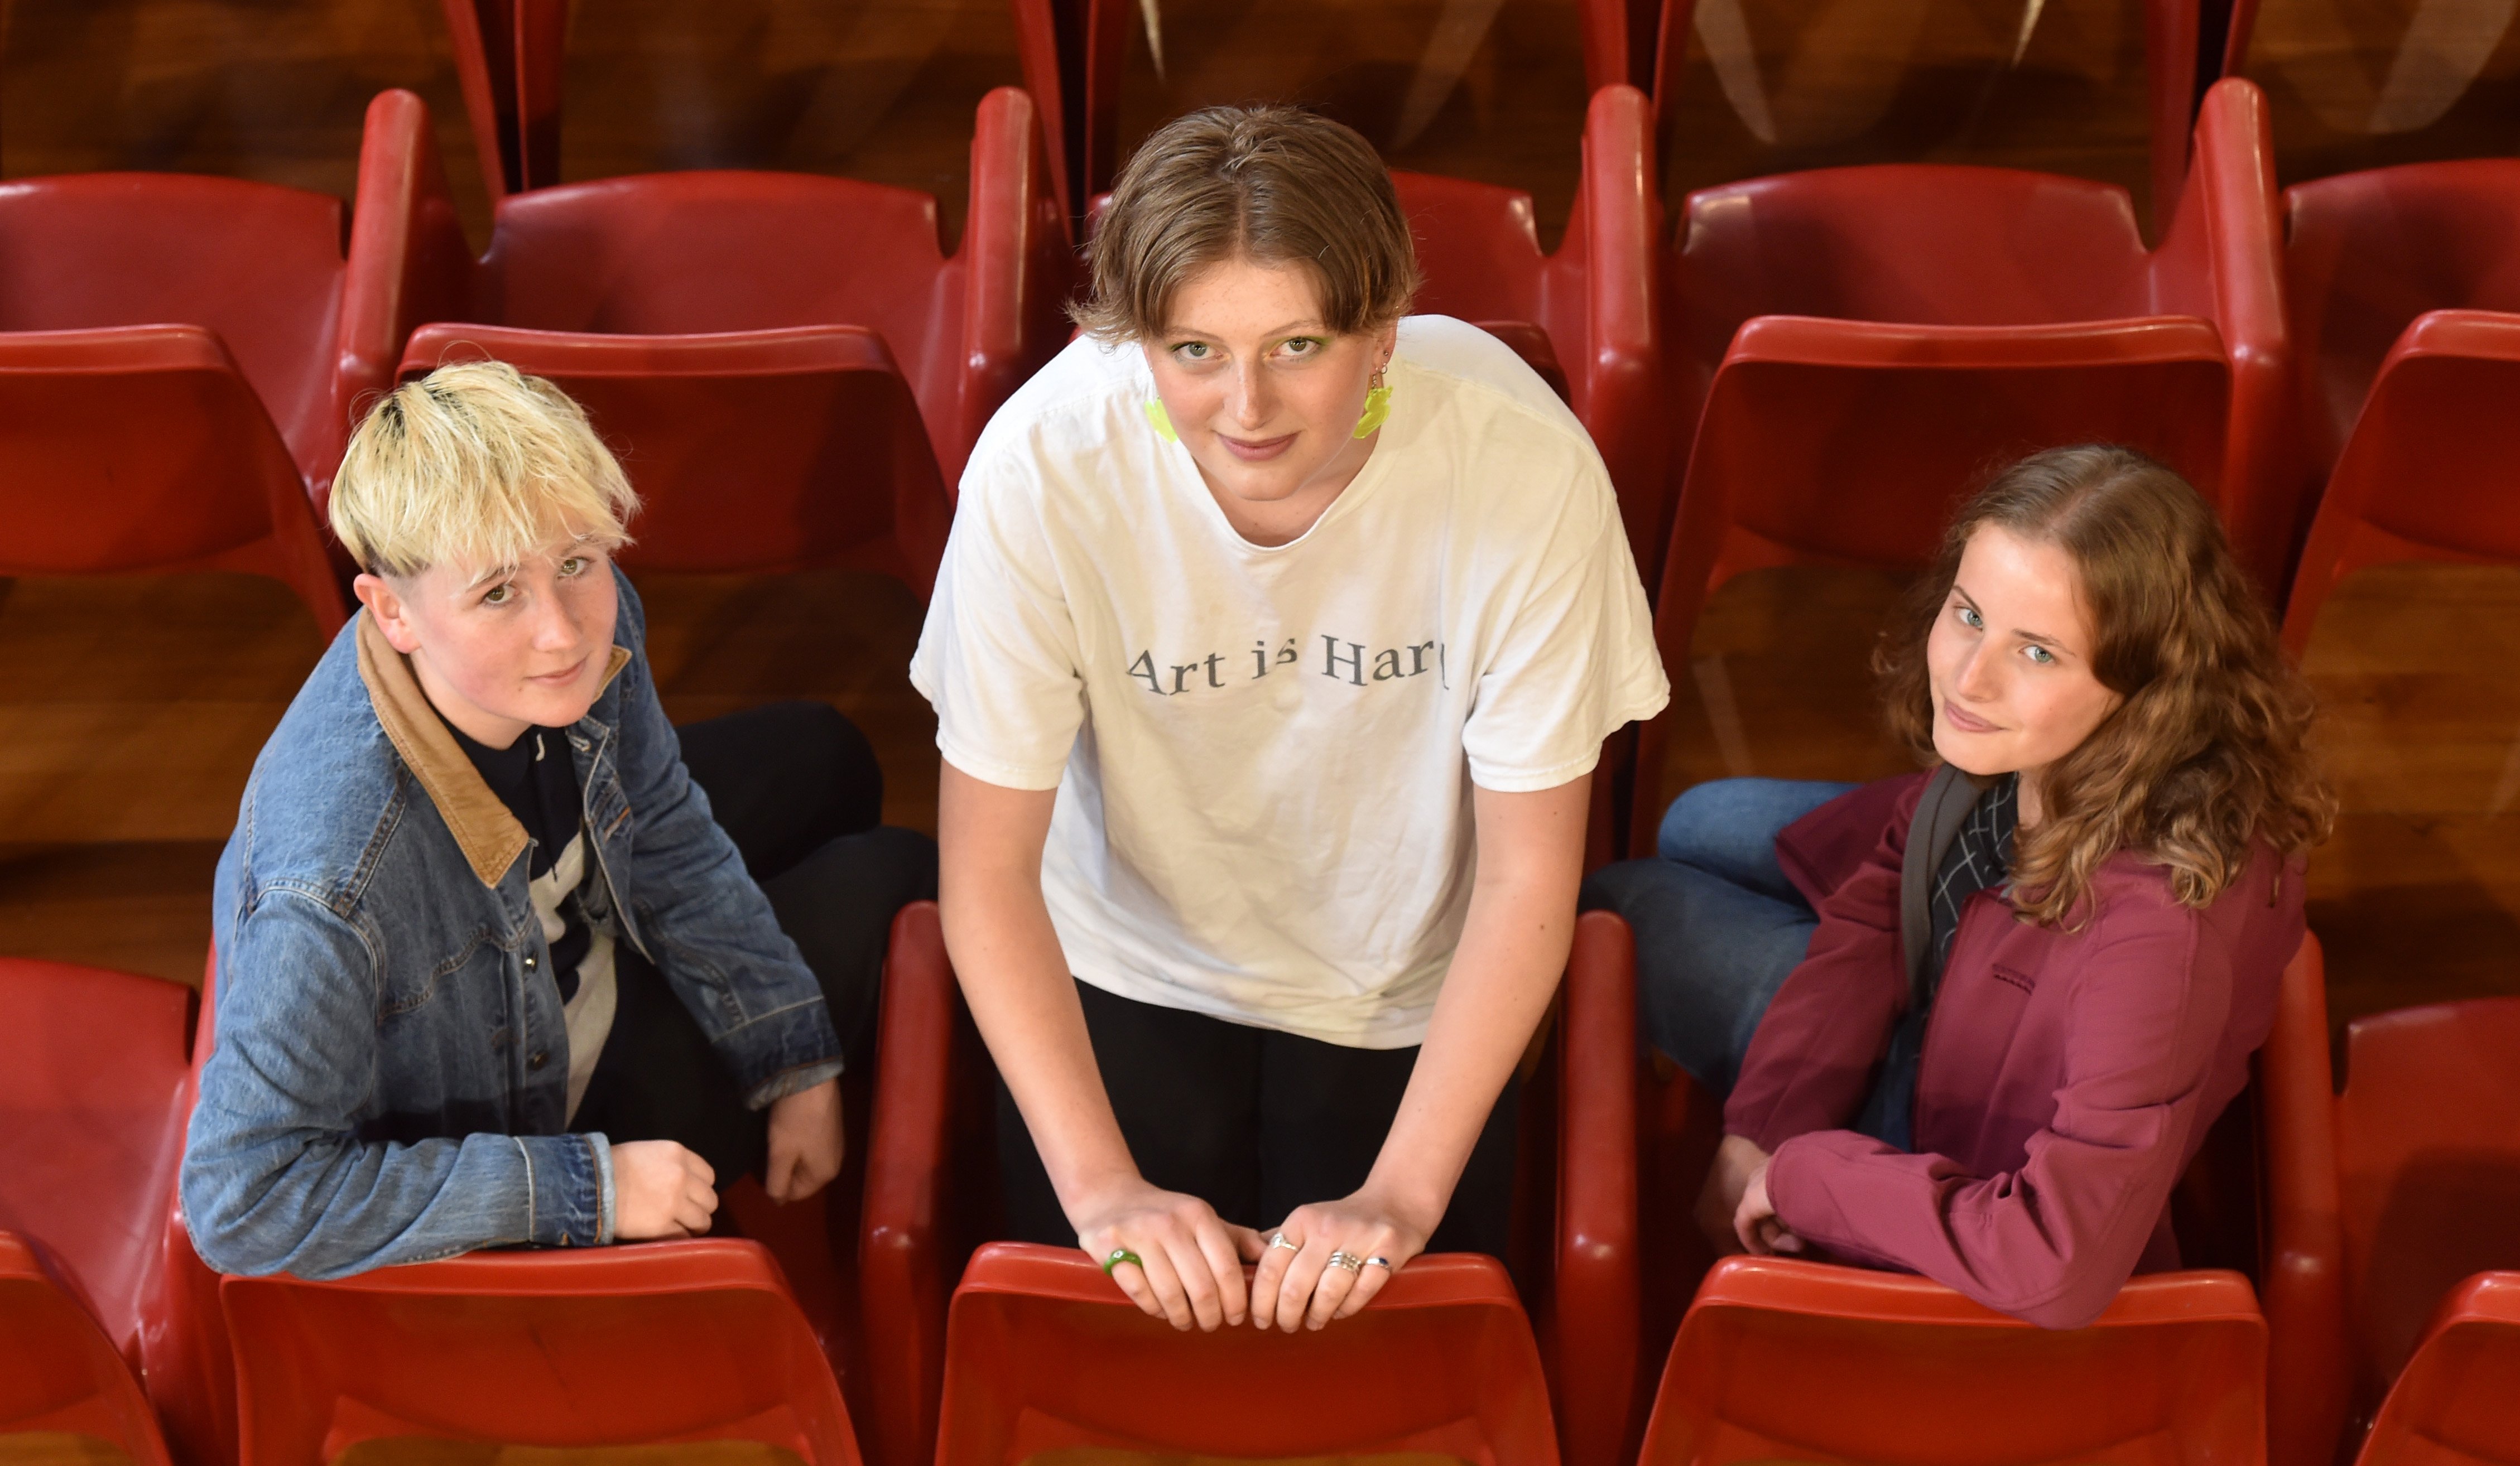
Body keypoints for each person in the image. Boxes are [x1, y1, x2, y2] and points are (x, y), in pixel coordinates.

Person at [913, 105, 1667, 1334]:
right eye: (1193, 349)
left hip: (1406, 979)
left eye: (1298, 344)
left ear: (1382, 336)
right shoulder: (1044, 465)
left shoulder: (1521, 466)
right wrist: (1103, 1191)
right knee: (1121, 1366)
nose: (1245, 405)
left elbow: (1529, 876)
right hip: (1122, 954)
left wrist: (1401, 1196)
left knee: (1383, 1368)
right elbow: (987, 872)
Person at [181, 360, 936, 1278]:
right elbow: (242, 1200)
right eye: (498, 592)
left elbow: (658, 823)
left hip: (561, 930)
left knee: (829, 754)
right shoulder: (333, 887)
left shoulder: (588, 627)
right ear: (393, 614)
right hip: (528, 1102)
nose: (565, 632)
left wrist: (792, 1055)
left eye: (578, 560)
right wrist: (590, 1189)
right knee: (900, 874)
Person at [1584, 445, 2333, 1328]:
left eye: (2041, 652)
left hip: (1967, 1156)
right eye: (1970, 614)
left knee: (1624, 907)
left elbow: (2059, 1262)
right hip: (1964, 979)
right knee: (1699, 823)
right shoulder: (2043, 752)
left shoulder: (2156, 932)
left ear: (2147, 687)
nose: (1970, 679)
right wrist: (1765, 1126)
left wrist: (1808, 1176)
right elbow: (1886, 891)